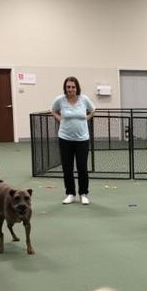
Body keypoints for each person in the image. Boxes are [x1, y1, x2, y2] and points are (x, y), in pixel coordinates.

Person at [51, 77, 94, 205]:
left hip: (82, 139)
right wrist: (60, 119)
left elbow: (93, 110)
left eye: (73, 87)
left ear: (77, 88)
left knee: (82, 167)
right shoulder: (60, 100)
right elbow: (53, 110)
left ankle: (83, 194)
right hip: (65, 139)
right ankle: (70, 193)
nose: (71, 89)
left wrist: (86, 118)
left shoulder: (84, 99)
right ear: (65, 88)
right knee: (67, 168)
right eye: (68, 87)